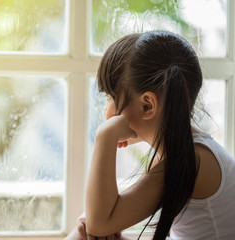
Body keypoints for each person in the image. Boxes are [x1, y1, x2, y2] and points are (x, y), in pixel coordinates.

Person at [64, 30, 235, 240]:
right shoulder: (189, 153)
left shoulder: (192, 161)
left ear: (147, 105)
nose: (105, 111)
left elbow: (99, 223)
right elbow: (100, 222)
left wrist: (104, 136)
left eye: (109, 97)